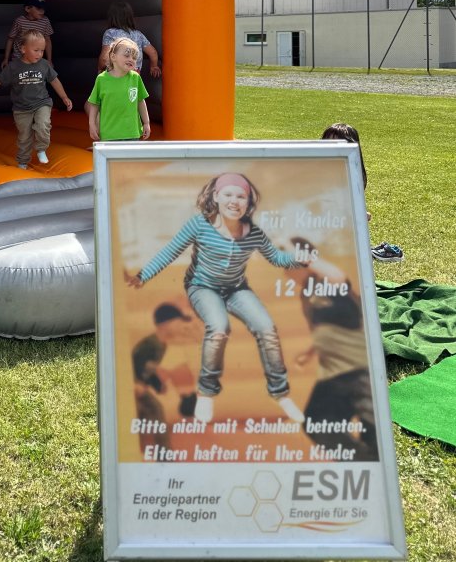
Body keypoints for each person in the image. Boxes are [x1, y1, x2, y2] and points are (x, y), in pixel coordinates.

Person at [127, 172, 308, 425]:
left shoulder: (253, 232)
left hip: (235, 288)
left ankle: (281, 394)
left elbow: (276, 258)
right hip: (202, 287)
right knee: (219, 327)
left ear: (248, 202)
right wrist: (143, 275)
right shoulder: (199, 224)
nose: (235, 201)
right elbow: (171, 251)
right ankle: (206, 393)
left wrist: (298, 258)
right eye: (228, 195)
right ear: (215, 197)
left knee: (266, 328)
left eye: (241, 196)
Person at [289, 239, 379, 462]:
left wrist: (297, 253)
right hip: (337, 373)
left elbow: (338, 278)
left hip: (359, 370)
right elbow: (327, 330)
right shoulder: (307, 295)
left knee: (372, 428)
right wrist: (310, 352)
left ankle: (369, 464)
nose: (285, 272)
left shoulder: (327, 282)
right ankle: (362, 463)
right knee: (317, 420)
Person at [0, 30, 72, 169]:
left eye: (42, 51)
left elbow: (54, 81)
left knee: (43, 125)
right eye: (36, 50)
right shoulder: (14, 67)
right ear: (23, 49)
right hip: (21, 108)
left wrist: (64, 97)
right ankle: (23, 162)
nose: (39, 54)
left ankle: (41, 149)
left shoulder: (44, 65)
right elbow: (0, 78)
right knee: (24, 136)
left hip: (42, 103)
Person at [320, 123, 403, 263]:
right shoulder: (316, 170)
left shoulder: (352, 174)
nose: (330, 149)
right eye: (327, 144)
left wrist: (358, 214)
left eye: (336, 144)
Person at [131, 303, 196, 454]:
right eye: (179, 322)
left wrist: (158, 385)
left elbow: (149, 369)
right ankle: (165, 455)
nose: (181, 327)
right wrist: (137, 383)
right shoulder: (150, 343)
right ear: (166, 324)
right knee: (157, 410)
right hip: (134, 387)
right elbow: (135, 363)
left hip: (142, 387)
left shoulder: (162, 344)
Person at [87, 37, 151, 142]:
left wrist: (146, 123)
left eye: (134, 57)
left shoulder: (135, 78)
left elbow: (140, 101)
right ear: (113, 57)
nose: (131, 59)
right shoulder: (102, 79)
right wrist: (92, 124)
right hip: (109, 134)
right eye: (127, 55)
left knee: (130, 159)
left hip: (132, 133)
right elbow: (94, 104)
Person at [97, 1, 161, 78]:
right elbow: (153, 52)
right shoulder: (138, 34)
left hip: (116, 76)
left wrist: (100, 69)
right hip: (134, 77)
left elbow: (104, 58)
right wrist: (154, 66)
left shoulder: (111, 33)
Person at [3, 0, 54, 67]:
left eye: (43, 8)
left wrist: (49, 60)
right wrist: (6, 59)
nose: (42, 11)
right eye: (38, 8)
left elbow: (48, 40)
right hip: (18, 60)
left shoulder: (45, 21)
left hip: (36, 60)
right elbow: (10, 39)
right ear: (27, 9)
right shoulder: (19, 21)